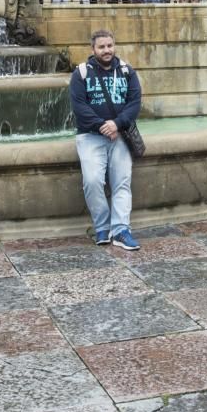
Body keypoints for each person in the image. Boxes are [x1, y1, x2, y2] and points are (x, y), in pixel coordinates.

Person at [69, 29, 142, 251]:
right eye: (102, 47)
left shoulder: (127, 71)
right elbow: (79, 106)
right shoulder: (81, 73)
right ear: (93, 50)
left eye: (110, 45)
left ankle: (121, 230)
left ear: (114, 46)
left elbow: (135, 102)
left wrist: (117, 124)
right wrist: (104, 125)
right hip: (91, 136)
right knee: (92, 181)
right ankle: (102, 226)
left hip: (119, 135)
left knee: (122, 183)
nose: (107, 50)